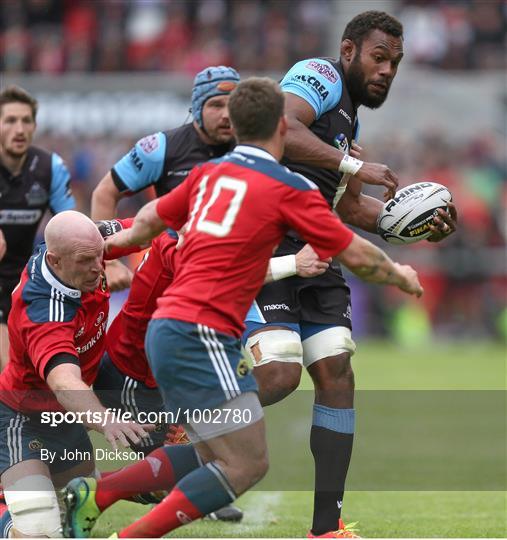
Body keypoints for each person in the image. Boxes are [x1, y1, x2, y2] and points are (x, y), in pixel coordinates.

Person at [63, 77, 422, 539]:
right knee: (247, 462)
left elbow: (146, 223)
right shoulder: (287, 186)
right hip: (202, 333)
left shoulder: (206, 175)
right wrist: (400, 274)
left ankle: (101, 492)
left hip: (168, 328)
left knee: (214, 452)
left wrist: (98, 249)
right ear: (279, 126)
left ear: (235, 125)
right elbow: (355, 253)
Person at [240, 11, 458, 538]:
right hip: (267, 241)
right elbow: (281, 128)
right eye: (379, 57)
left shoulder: (350, 123)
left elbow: (352, 208)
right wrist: (357, 166)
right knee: (279, 376)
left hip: (317, 247)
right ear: (348, 52)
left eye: (396, 63)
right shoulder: (320, 75)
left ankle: (325, 528)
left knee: (337, 374)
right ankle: (194, 410)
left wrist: (414, 224)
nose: (387, 70)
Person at [0, 211, 151, 538]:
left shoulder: (82, 246)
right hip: (23, 416)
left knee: (77, 499)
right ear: (55, 261)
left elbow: (145, 227)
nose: (99, 267)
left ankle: (134, 481)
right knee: (41, 528)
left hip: (65, 417)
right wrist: (106, 419)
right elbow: (64, 382)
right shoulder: (43, 310)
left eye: (101, 256)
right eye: (87, 261)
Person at [90, 65, 241, 291]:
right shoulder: (160, 148)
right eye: (216, 105)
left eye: (234, 105)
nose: (226, 115)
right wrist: (109, 263)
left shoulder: (252, 144)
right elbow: (105, 193)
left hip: (237, 272)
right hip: (175, 273)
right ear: (197, 108)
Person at [0, 85, 75, 371]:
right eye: (10, 120)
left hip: (23, 284)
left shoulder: (49, 167)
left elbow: (70, 227)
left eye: (26, 120)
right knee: (10, 372)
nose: (20, 129)